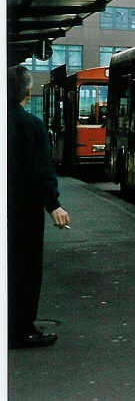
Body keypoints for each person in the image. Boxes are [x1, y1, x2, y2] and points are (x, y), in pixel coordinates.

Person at [7, 65, 70, 348]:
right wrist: (53, 204)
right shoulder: (31, 125)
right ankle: (22, 329)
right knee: (25, 270)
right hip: (22, 213)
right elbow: (41, 170)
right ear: (27, 92)